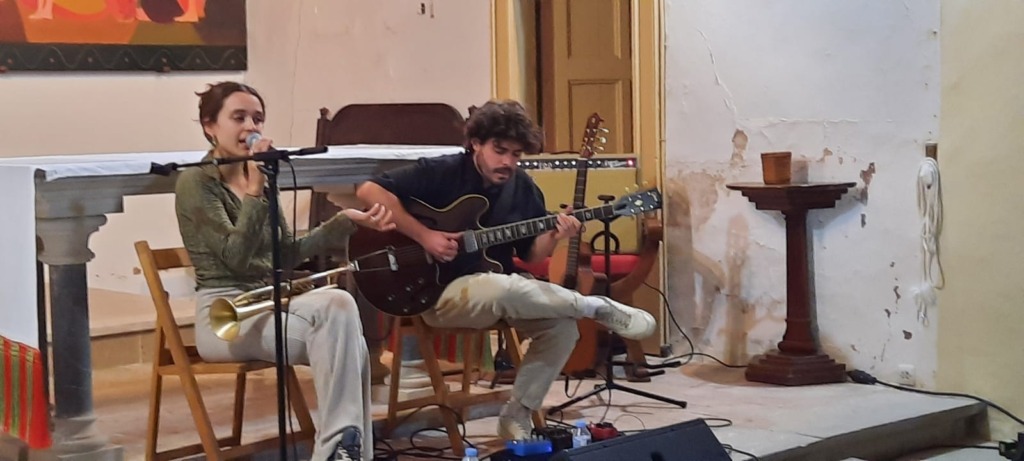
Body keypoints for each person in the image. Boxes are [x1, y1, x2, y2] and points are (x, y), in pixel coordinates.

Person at [354, 99, 656, 440]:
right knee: (503, 286)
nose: (508, 162)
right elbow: (368, 189)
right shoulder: (443, 171)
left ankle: (518, 413)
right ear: (476, 144)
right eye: (499, 151)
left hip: (500, 293)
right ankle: (593, 306)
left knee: (562, 327)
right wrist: (425, 236)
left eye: (516, 154)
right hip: (436, 293)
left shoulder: (521, 187)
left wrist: (557, 234)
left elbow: (532, 255)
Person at [175, 81, 394, 461]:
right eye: (238, 117)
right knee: (345, 332)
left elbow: (287, 253)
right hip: (225, 316)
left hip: (267, 306)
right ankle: (343, 451)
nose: (250, 127)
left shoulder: (262, 178)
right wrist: (256, 189)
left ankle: (340, 450)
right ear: (210, 125)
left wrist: (343, 221)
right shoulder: (196, 181)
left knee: (341, 311)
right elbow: (235, 258)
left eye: (257, 118)